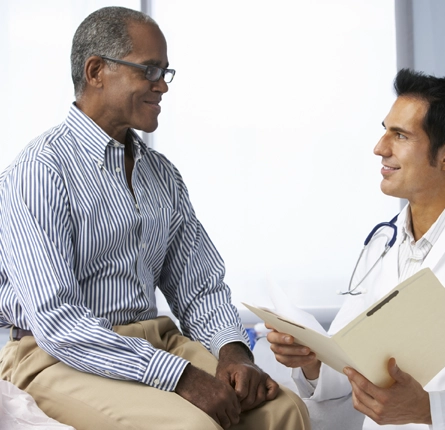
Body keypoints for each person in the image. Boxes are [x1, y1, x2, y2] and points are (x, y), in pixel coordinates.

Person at [0, 6, 310, 430]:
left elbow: (198, 287)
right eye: (149, 71)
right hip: (57, 354)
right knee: (195, 427)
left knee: (285, 410)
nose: (162, 85)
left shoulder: (161, 173)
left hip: (155, 339)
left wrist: (232, 352)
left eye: (165, 72)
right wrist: (179, 376)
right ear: (96, 72)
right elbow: (59, 322)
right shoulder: (39, 172)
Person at [267, 68, 445, 429]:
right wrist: (310, 360)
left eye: (400, 135)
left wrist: (433, 409)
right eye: (385, 129)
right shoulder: (383, 246)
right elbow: (353, 365)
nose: (379, 148)